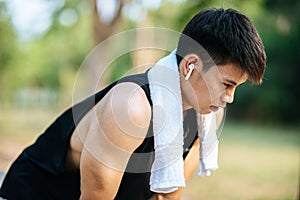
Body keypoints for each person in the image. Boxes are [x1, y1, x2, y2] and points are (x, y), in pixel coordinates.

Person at [0, 8, 266, 200]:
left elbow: (166, 195)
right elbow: (96, 197)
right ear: (191, 65)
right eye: (227, 84)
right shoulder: (131, 109)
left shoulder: (207, 116)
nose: (229, 98)